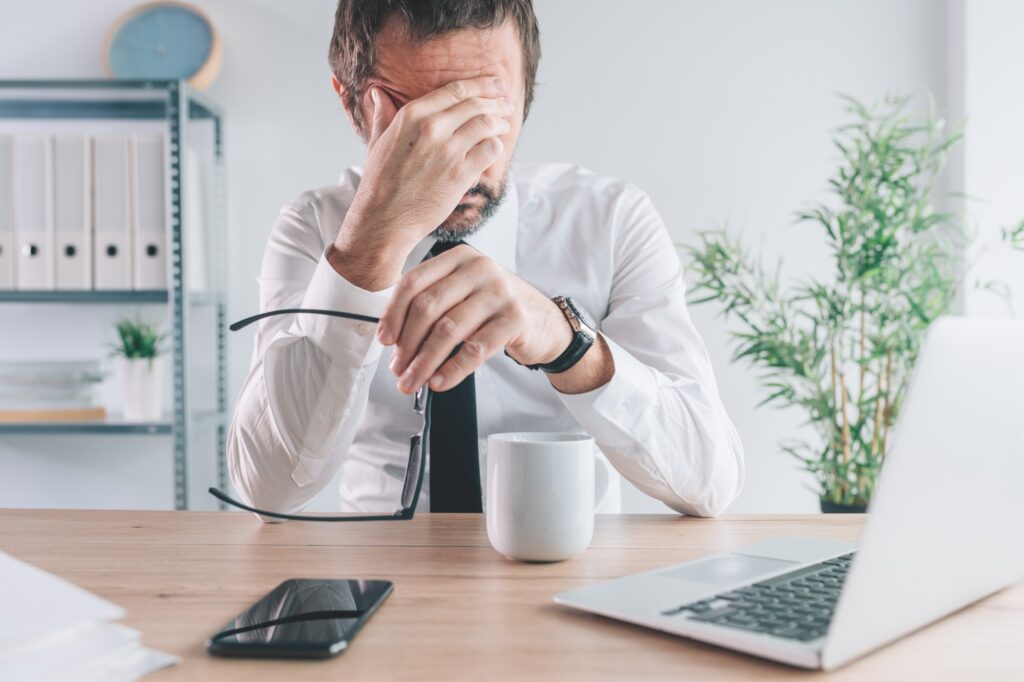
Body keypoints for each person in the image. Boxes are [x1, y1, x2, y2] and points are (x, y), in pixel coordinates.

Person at [227, 0, 744, 518]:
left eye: (488, 109)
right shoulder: (315, 227)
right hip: (379, 571)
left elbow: (710, 481)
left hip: (566, 574)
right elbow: (268, 489)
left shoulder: (610, 220)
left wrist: (566, 342)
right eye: (419, 121)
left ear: (526, 93)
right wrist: (368, 247)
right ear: (351, 104)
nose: (463, 156)